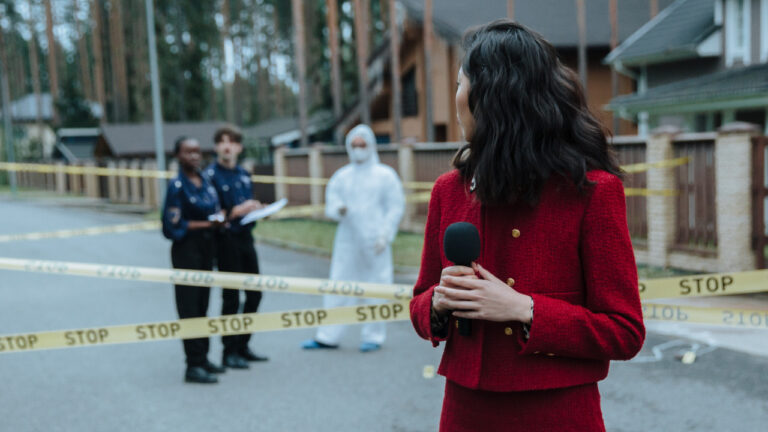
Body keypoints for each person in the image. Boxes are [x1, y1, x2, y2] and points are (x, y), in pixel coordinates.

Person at [409, 20, 645, 431]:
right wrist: (439, 302)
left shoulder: (592, 191)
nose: (456, 97)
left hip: (557, 413)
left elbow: (624, 331)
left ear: (493, 97)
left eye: (461, 84)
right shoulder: (449, 190)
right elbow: (418, 303)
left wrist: (523, 309)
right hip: (465, 410)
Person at [302, 124, 405, 353]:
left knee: (376, 287)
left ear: (371, 146)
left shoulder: (385, 175)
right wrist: (338, 209)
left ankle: (373, 336)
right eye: (355, 145)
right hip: (347, 241)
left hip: (376, 241)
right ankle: (328, 336)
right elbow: (331, 202)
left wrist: (385, 235)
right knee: (339, 285)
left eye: (363, 144)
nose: (359, 149)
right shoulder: (342, 176)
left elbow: (395, 207)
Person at [162, 137, 227, 384]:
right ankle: (193, 364)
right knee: (189, 308)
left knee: (203, 305)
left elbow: (215, 208)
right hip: (186, 250)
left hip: (207, 248)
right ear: (178, 155)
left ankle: (203, 357)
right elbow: (172, 226)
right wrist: (208, 224)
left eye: (197, 152)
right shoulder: (177, 186)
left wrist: (219, 217)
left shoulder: (206, 181)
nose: (194, 156)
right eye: (188, 152)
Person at [206, 126, 268, 369]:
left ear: (239, 148)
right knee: (231, 297)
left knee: (255, 293)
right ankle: (228, 351)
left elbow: (246, 206)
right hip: (225, 241)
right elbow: (211, 213)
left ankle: (243, 344)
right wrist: (236, 211)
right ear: (216, 147)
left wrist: (257, 209)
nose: (227, 146)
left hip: (245, 238)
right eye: (222, 141)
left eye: (231, 142)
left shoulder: (243, 174)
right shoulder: (210, 176)